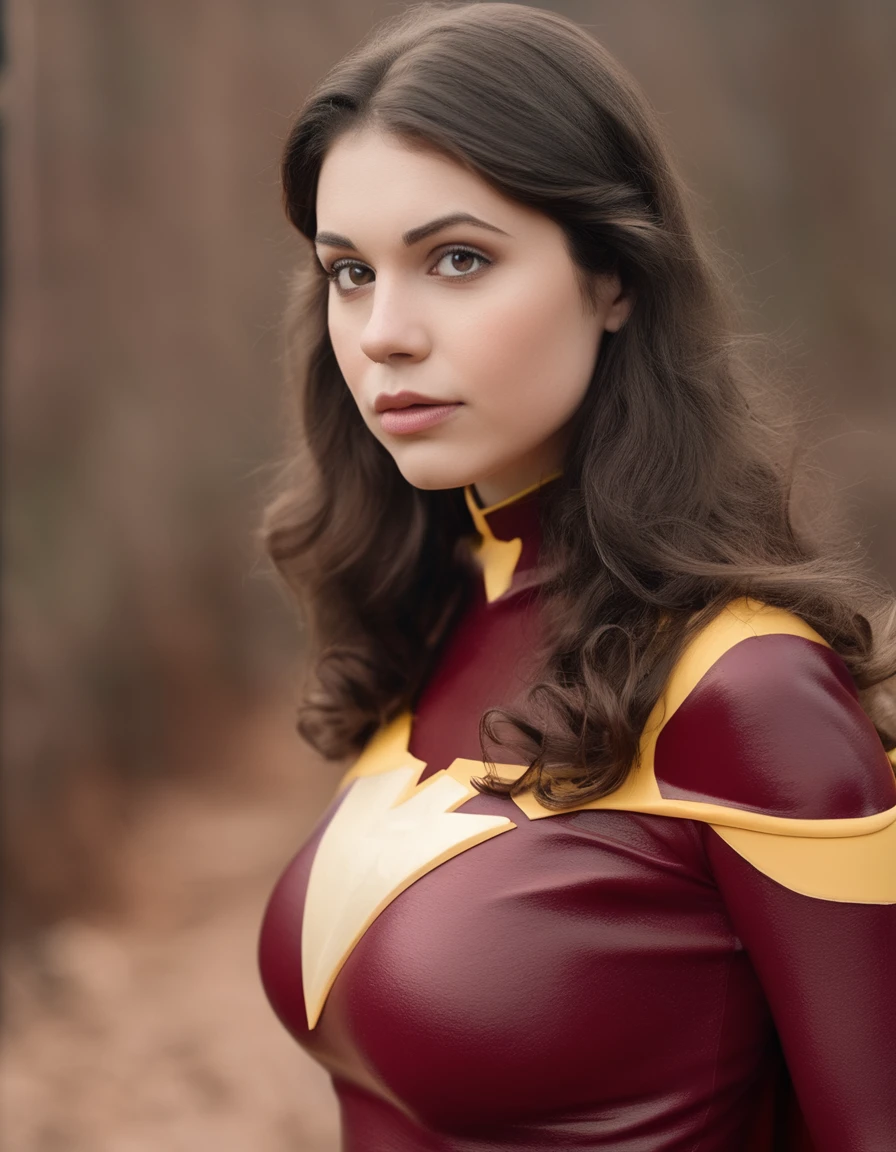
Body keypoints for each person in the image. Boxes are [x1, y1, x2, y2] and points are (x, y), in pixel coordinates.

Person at [256, 3, 896, 1149]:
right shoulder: (440, 614)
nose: (385, 332)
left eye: (456, 259)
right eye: (348, 272)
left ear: (614, 279)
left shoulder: (740, 690)